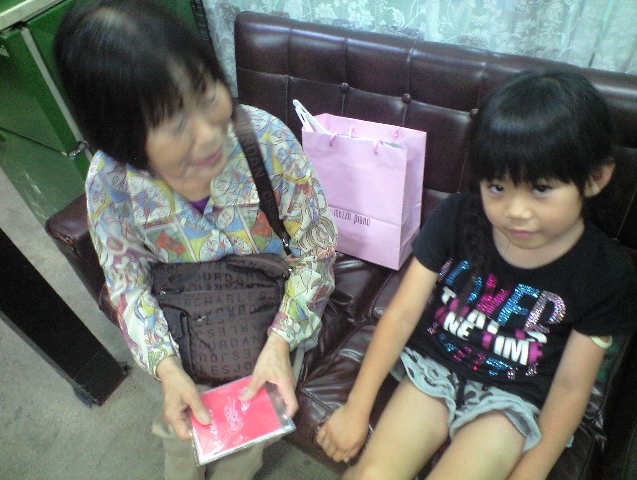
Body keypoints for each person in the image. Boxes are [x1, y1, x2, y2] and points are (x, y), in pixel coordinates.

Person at [53, 1, 337, 478]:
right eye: (174, 122)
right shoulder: (111, 181)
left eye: (206, 94)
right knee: (181, 437)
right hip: (183, 320)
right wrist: (167, 369)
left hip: (270, 311)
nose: (209, 135)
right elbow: (127, 285)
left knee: (248, 434)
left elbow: (317, 251)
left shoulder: (265, 140)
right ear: (122, 136)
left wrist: (280, 342)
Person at [316, 70, 637, 479]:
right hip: (434, 367)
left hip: (512, 397)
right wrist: (356, 408)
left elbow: (572, 388)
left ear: (595, 178)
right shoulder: (456, 216)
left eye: (540, 188)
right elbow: (401, 313)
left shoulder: (607, 274)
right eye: (498, 187)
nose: (515, 211)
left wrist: (529, 474)